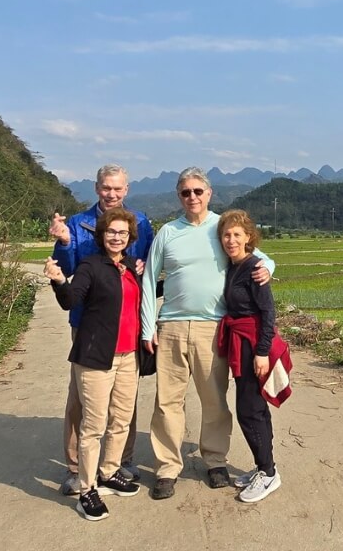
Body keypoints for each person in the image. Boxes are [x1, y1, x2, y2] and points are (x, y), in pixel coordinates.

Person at [140, 167, 275, 500]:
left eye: (198, 191)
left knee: (214, 400)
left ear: (209, 193)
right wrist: (147, 327)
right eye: (186, 192)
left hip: (213, 328)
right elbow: (148, 281)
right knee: (167, 403)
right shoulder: (167, 233)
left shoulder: (221, 229)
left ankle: (215, 461)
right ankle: (168, 468)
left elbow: (261, 259)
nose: (192, 197)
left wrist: (267, 269)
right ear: (179, 196)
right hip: (170, 325)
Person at [50, 165, 154, 495]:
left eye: (118, 189)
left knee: (125, 400)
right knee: (81, 400)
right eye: (106, 188)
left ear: (127, 189)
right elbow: (67, 270)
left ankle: (119, 462)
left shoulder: (140, 222)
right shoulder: (78, 224)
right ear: (97, 188)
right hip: (88, 324)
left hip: (127, 326)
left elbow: (149, 266)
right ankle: (77, 468)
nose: (112, 194)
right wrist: (65, 242)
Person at [216, 209, 292, 504]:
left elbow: (268, 312)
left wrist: (261, 353)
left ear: (249, 238)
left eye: (237, 234)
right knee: (255, 408)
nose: (231, 239)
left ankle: (269, 473)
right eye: (226, 234)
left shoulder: (254, 266)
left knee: (249, 410)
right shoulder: (234, 266)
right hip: (242, 342)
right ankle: (264, 467)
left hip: (253, 344)